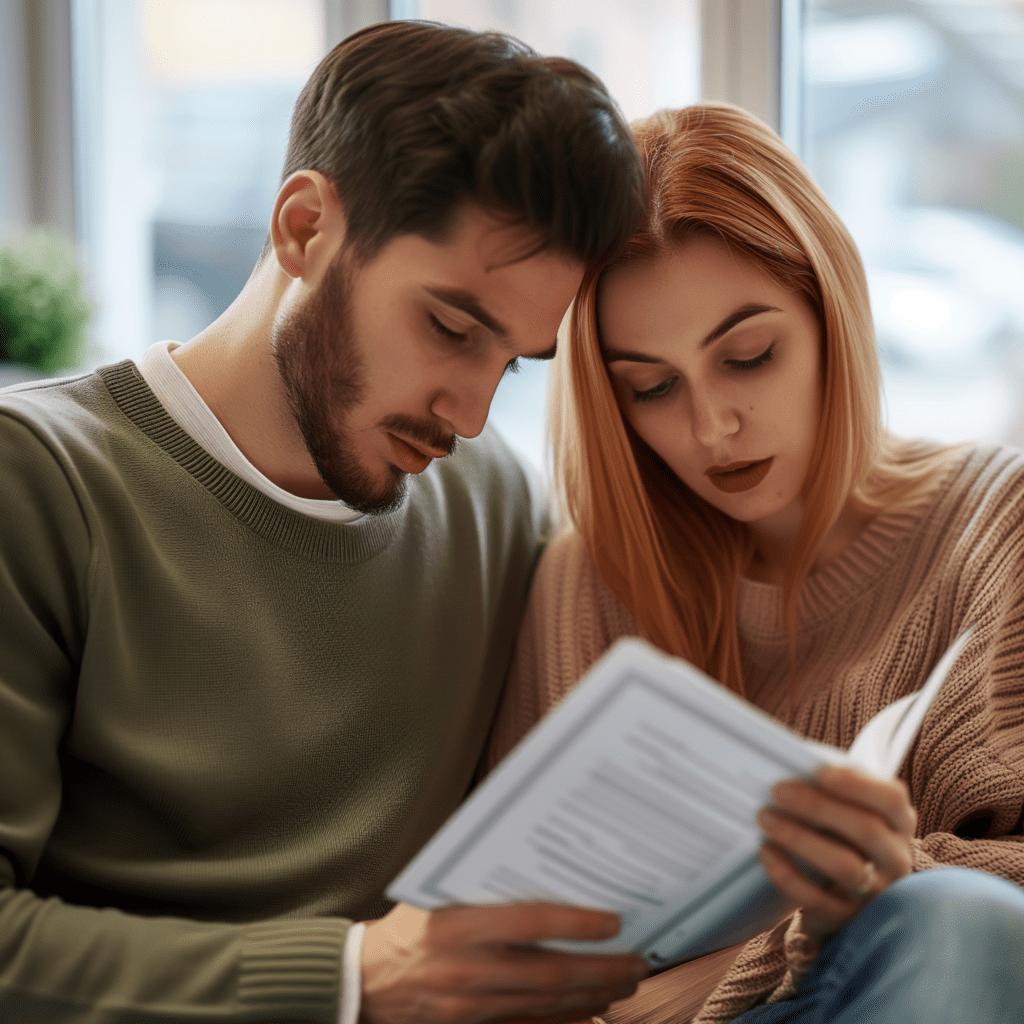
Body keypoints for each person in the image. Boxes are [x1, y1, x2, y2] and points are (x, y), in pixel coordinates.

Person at [0, 20, 652, 1024]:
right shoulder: (38, 484)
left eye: (513, 360)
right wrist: (350, 978)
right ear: (304, 227)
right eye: (447, 327)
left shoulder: (493, 505)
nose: (470, 414)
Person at [487, 102, 1024, 1023]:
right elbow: (514, 938)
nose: (709, 427)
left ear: (831, 314)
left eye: (749, 356)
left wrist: (747, 958)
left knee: (958, 921)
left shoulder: (996, 526)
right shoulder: (589, 582)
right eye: (651, 388)